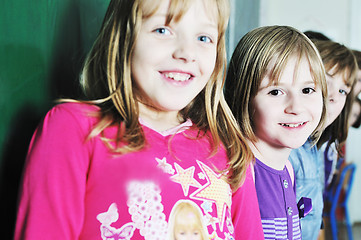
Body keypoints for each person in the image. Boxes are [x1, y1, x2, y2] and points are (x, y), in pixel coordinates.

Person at [14, 0, 264, 239]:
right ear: (124, 38)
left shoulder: (228, 150)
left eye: (203, 38)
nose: (187, 53)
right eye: (162, 29)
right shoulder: (74, 129)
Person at [225, 25, 327, 240]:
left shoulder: (287, 168)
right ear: (243, 96)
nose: (296, 107)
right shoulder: (239, 171)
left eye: (308, 90)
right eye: (276, 92)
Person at [289, 40, 358, 240]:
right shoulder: (289, 148)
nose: (334, 97)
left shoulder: (314, 145)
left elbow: (313, 210)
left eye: (343, 91)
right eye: (326, 83)